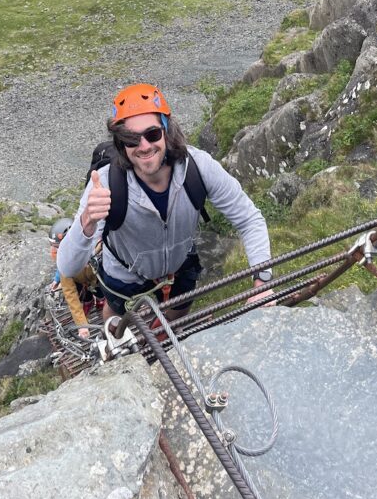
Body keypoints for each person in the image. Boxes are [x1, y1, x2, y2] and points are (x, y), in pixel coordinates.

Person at [57, 83, 274, 323]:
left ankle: (168, 333)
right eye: (131, 139)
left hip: (180, 266)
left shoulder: (198, 168)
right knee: (117, 315)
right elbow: (67, 267)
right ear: (120, 143)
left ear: (167, 130)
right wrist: (87, 221)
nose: (144, 146)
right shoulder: (106, 183)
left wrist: (262, 282)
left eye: (152, 134)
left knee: (178, 311)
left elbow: (249, 219)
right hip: (124, 276)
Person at [48, 218, 103, 339]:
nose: (58, 252)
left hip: (99, 279)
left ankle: (100, 301)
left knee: (103, 291)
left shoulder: (100, 249)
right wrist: (82, 325)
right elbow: (70, 295)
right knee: (85, 296)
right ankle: (90, 304)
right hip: (83, 281)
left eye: (58, 247)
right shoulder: (65, 265)